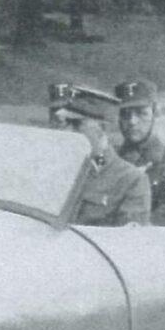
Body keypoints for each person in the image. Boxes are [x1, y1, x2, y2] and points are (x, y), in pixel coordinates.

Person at [48, 83, 152, 226]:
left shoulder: (131, 180)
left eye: (77, 124)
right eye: (65, 123)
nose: (68, 131)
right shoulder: (52, 170)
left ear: (102, 129)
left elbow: (129, 238)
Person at [114, 79, 165, 226]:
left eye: (141, 113)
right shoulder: (110, 159)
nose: (132, 121)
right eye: (125, 114)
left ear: (154, 113)